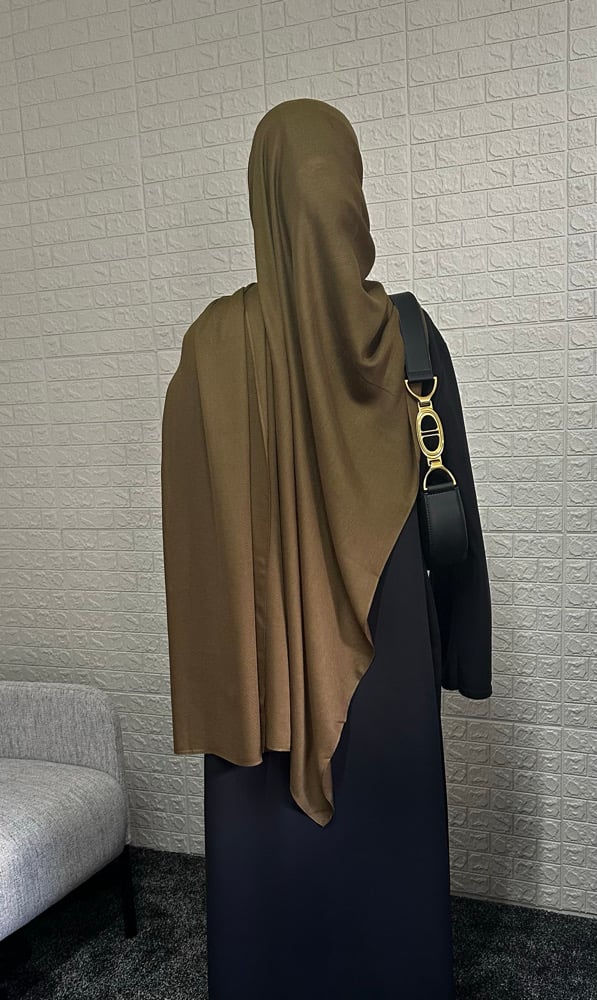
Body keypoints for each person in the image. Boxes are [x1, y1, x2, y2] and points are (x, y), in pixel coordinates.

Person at [161, 97, 492, 1000]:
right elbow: (453, 505)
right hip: (391, 643)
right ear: (352, 192)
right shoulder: (410, 337)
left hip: (261, 655)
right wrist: (461, 653)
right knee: (388, 832)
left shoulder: (211, 345)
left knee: (269, 839)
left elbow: (192, 533)